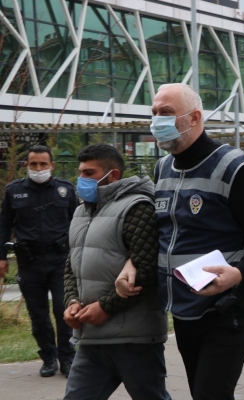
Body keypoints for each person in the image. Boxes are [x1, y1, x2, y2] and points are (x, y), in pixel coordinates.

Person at [118, 83, 244, 400]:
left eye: (165, 113)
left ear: (194, 118)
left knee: (210, 395)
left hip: (230, 307)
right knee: (203, 392)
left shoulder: (234, 168)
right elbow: (161, 229)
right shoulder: (163, 167)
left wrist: (239, 272)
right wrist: (132, 262)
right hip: (184, 306)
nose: (156, 120)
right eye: (153, 113)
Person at [62, 144, 169, 400]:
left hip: (134, 340)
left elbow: (146, 269)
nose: (81, 180)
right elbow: (70, 266)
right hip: (91, 340)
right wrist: (72, 301)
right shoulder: (81, 212)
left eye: (89, 173)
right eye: (80, 173)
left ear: (113, 176)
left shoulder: (137, 207)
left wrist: (106, 307)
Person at [0, 145, 76, 378]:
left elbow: (78, 223)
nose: (38, 168)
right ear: (27, 166)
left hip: (60, 259)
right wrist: (1, 258)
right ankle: (48, 358)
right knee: (38, 313)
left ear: (52, 165)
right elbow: (4, 225)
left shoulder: (65, 190)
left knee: (63, 309)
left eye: (43, 164)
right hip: (29, 261)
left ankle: (67, 357)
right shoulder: (14, 191)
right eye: (33, 164)